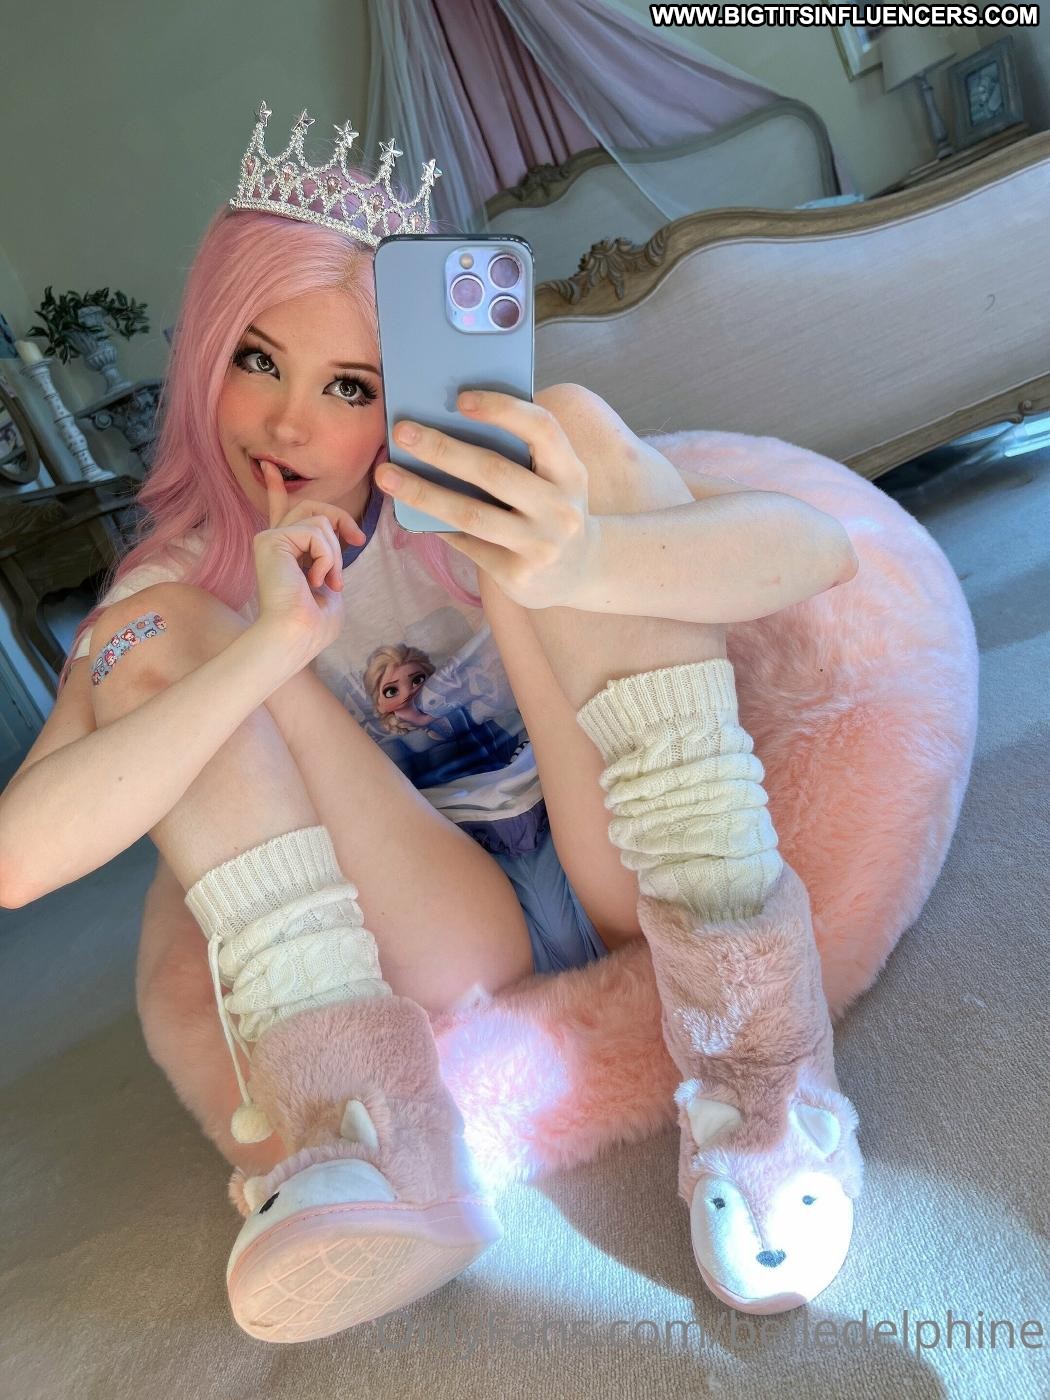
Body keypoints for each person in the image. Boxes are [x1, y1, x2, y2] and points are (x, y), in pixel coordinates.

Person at [0, 102, 864, 1342]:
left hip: (625, 844)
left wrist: (576, 554)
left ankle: (765, 1087)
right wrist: (266, 647)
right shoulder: (179, 575)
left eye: (348, 385)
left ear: (399, 383)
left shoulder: (485, 468)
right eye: (256, 360)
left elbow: (817, 547)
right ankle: (379, 1139)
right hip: (446, 933)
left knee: (571, 432)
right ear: (202, 358)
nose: (290, 424)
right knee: (170, 628)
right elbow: (19, 856)